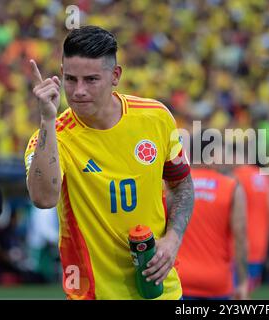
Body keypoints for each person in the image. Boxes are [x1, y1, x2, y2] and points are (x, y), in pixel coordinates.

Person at [24, 26, 194, 299]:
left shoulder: (156, 117)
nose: (78, 91)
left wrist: (173, 239)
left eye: (91, 79)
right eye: (71, 79)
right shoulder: (52, 137)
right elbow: (43, 199)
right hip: (92, 293)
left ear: (115, 76)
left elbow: (181, 185)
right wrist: (46, 120)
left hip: (161, 291)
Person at [176, 133, 249, 300]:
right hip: (217, 283)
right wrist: (243, 282)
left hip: (180, 279)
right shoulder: (231, 187)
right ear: (212, 153)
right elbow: (241, 236)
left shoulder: (176, 185)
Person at [233, 163, 269, 292]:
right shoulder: (264, 179)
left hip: (236, 248)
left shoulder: (236, 177)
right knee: (245, 293)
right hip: (258, 250)